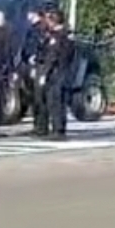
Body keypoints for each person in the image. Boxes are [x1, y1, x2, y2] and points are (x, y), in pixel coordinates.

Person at [40, 9, 76, 140]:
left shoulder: (57, 36)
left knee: (55, 101)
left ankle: (57, 130)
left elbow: (52, 56)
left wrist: (44, 73)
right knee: (60, 101)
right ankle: (60, 129)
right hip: (65, 71)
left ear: (53, 21)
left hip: (56, 73)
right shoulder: (68, 34)